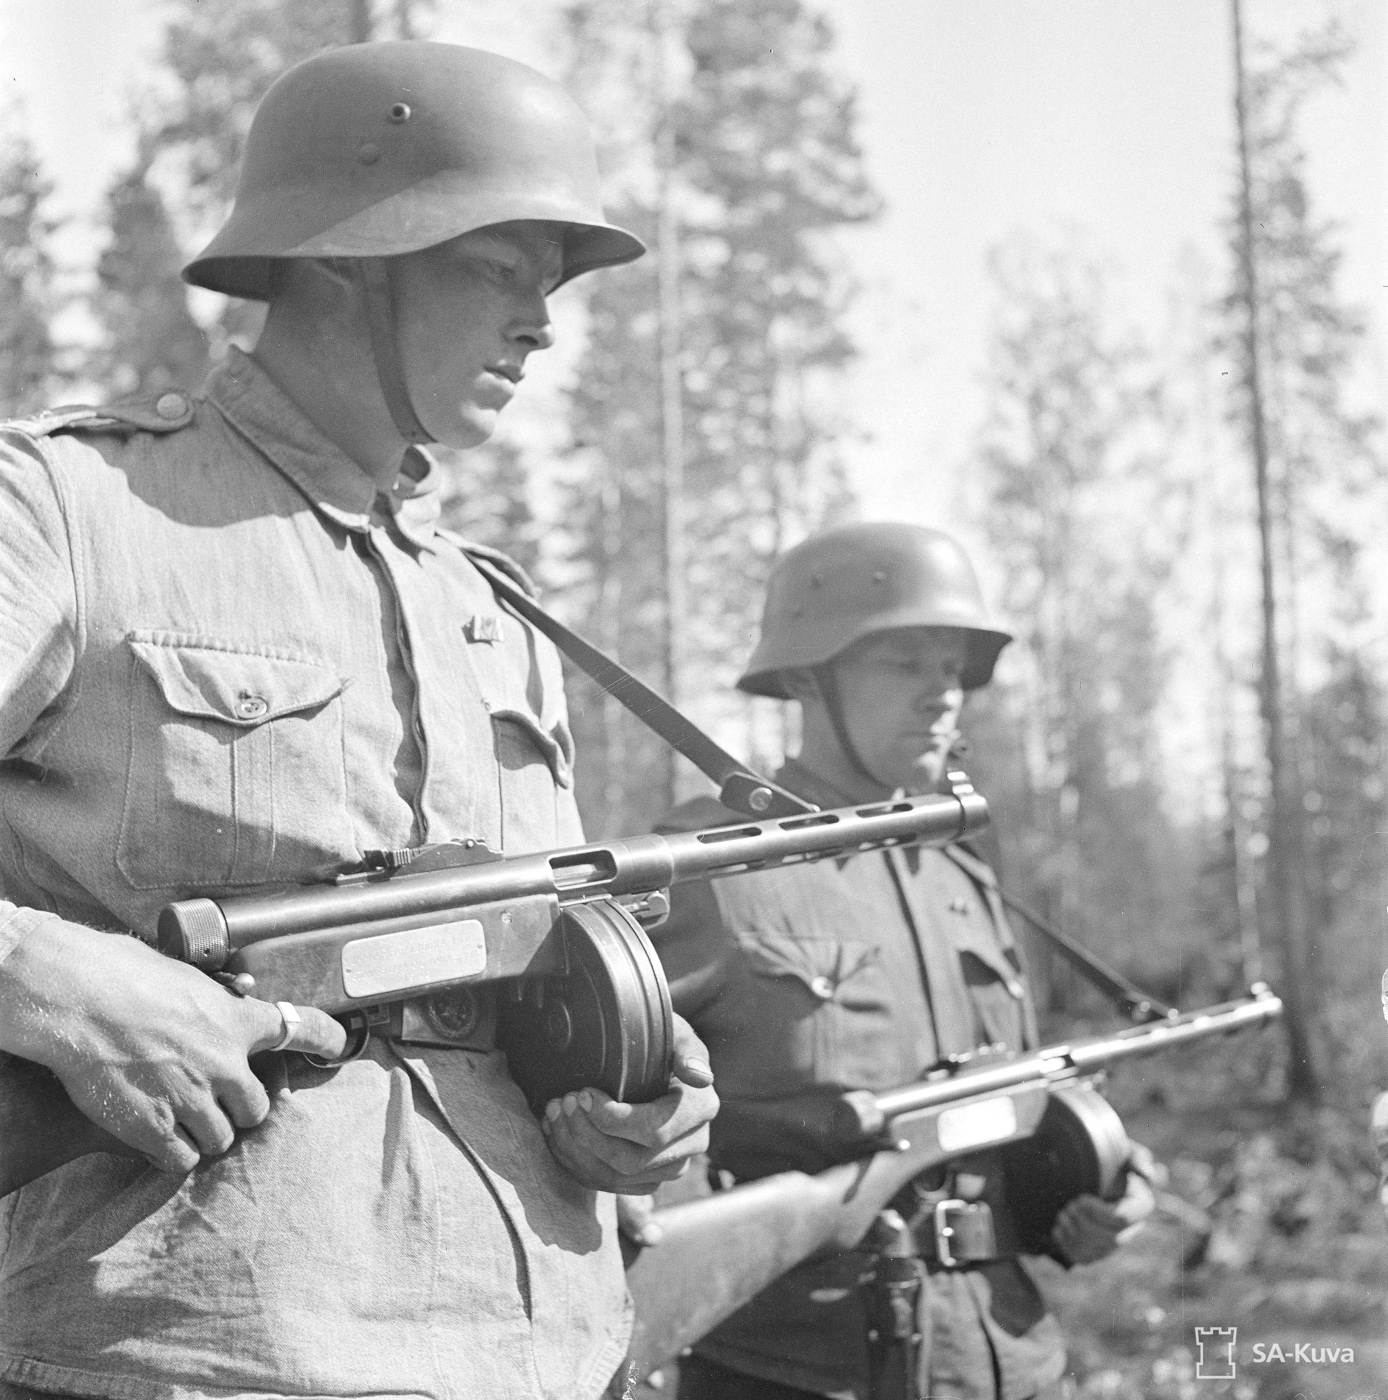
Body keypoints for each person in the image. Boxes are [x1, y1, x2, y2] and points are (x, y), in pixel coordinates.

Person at [0, 42, 717, 1400]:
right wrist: (47, 977)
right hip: (199, 1355)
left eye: (547, 285)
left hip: (544, 1350)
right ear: (348, 261)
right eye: (497, 270)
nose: (542, 325)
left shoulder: (492, 613)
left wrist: (634, 1105)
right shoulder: (77, 517)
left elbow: (510, 971)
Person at [651, 522, 1154, 1400]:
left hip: (1012, 1359)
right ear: (809, 677)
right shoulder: (711, 867)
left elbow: (1025, 1096)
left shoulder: (960, 872)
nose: (942, 697)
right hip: (799, 1371)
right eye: (904, 665)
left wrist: (1110, 1178)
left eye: (953, 670)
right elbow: (616, 1120)